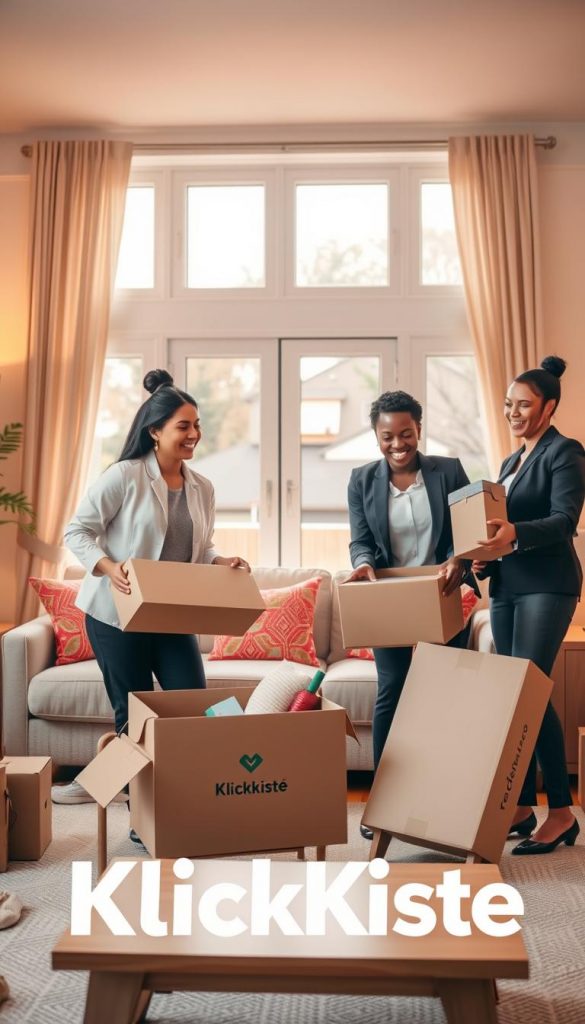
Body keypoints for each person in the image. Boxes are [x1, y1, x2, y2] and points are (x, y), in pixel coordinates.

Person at [54, 369, 250, 819]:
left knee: (191, 707)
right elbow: (78, 531)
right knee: (134, 717)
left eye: (197, 425)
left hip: (170, 616)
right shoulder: (124, 476)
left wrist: (220, 562)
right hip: (115, 615)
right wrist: (108, 566)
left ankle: (116, 785)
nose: (194, 434)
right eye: (184, 426)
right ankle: (144, 818)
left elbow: (199, 548)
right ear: (155, 431)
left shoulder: (203, 487)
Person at [345, 390, 478, 839]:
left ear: (419, 430)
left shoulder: (449, 471)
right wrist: (362, 562)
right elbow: (361, 538)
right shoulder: (362, 480)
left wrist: (459, 558)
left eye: (406, 433)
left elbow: (467, 530)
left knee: (441, 696)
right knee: (393, 691)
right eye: (387, 436)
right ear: (376, 436)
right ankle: (383, 801)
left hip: (440, 595)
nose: (398, 444)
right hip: (391, 599)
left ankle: (440, 802)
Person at [472, 356, 585, 855]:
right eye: (507, 405)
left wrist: (514, 533)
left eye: (523, 405)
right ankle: (519, 807)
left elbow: (564, 521)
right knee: (511, 693)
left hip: (549, 584)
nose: (513, 413)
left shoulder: (566, 452)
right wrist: (484, 562)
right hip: (510, 585)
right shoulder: (510, 461)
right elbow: (500, 530)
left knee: (529, 689)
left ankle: (560, 812)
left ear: (549, 407)